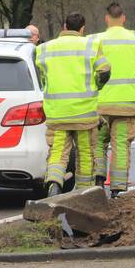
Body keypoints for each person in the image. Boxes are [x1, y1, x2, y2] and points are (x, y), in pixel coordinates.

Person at [35, 12, 111, 196]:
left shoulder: (44, 48)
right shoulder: (91, 45)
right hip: (84, 113)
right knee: (85, 153)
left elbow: (42, 76)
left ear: (64, 27)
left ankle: (54, 183)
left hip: (57, 113)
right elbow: (105, 71)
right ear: (82, 28)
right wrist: (97, 86)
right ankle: (83, 195)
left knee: (58, 152)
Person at [91, 3, 135, 198]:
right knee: (121, 146)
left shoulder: (95, 40)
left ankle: (98, 180)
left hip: (100, 105)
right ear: (123, 18)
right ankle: (117, 188)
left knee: (98, 143)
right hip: (127, 104)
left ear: (106, 18)